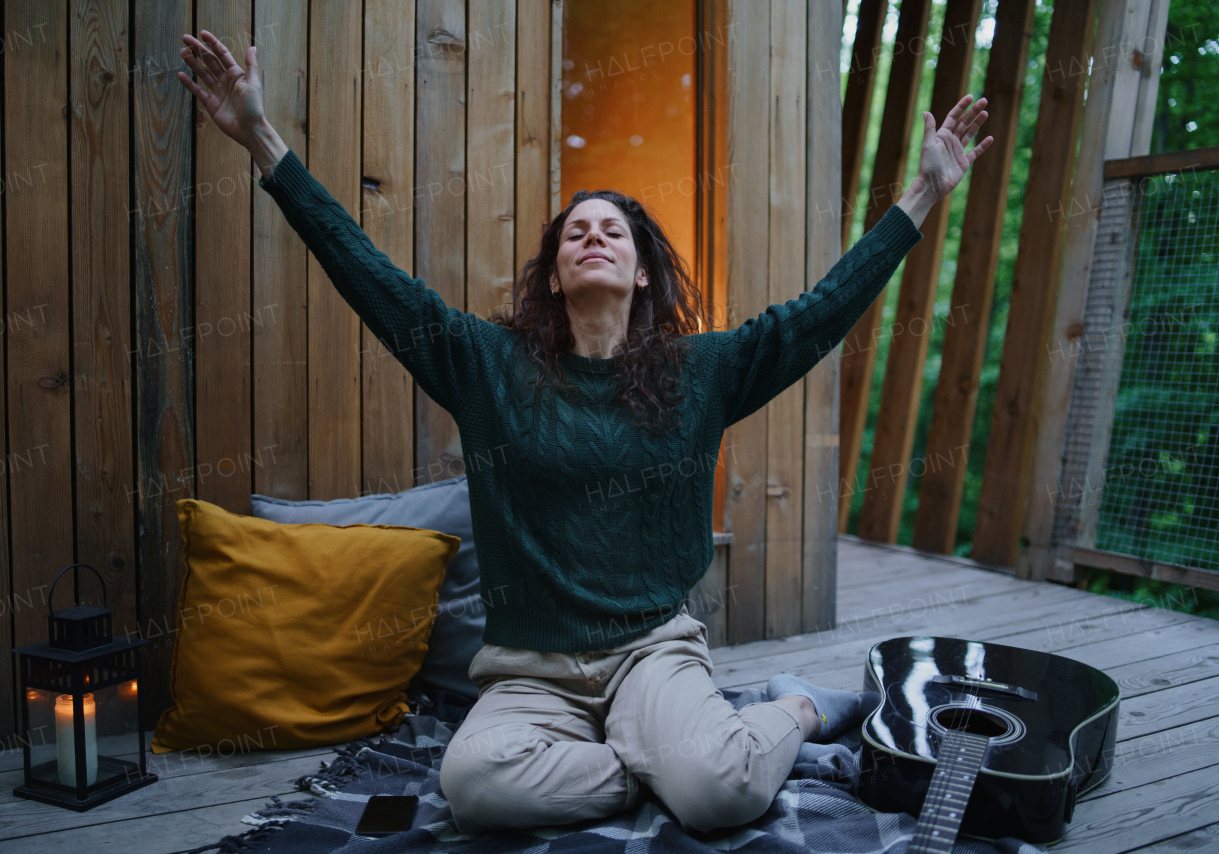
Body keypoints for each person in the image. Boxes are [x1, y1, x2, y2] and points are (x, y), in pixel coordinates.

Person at [176, 29, 992, 835]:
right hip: (533, 676)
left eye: (612, 230)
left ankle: (800, 709)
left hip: (653, 654)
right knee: (474, 786)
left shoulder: (701, 371)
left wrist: (923, 195)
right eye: (575, 231)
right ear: (555, 275)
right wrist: (260, 139)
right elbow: (365, 271)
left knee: (722, 796)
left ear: (641, 272)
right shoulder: (484, 365)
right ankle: (659, 764)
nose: (591, 235)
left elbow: (823, 313)